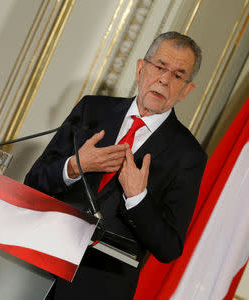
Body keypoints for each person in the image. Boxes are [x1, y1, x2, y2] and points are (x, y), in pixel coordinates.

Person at [24, 31, 207, 300]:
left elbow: (169, 248)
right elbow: (34, 181)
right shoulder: (92, 110)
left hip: (99, 289)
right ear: (140, 68)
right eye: (159, 67)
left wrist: (138, 198)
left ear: (186, 90)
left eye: (178, 75)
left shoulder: (188, 155)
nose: (164, 80)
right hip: (36, 264)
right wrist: (74, 167)